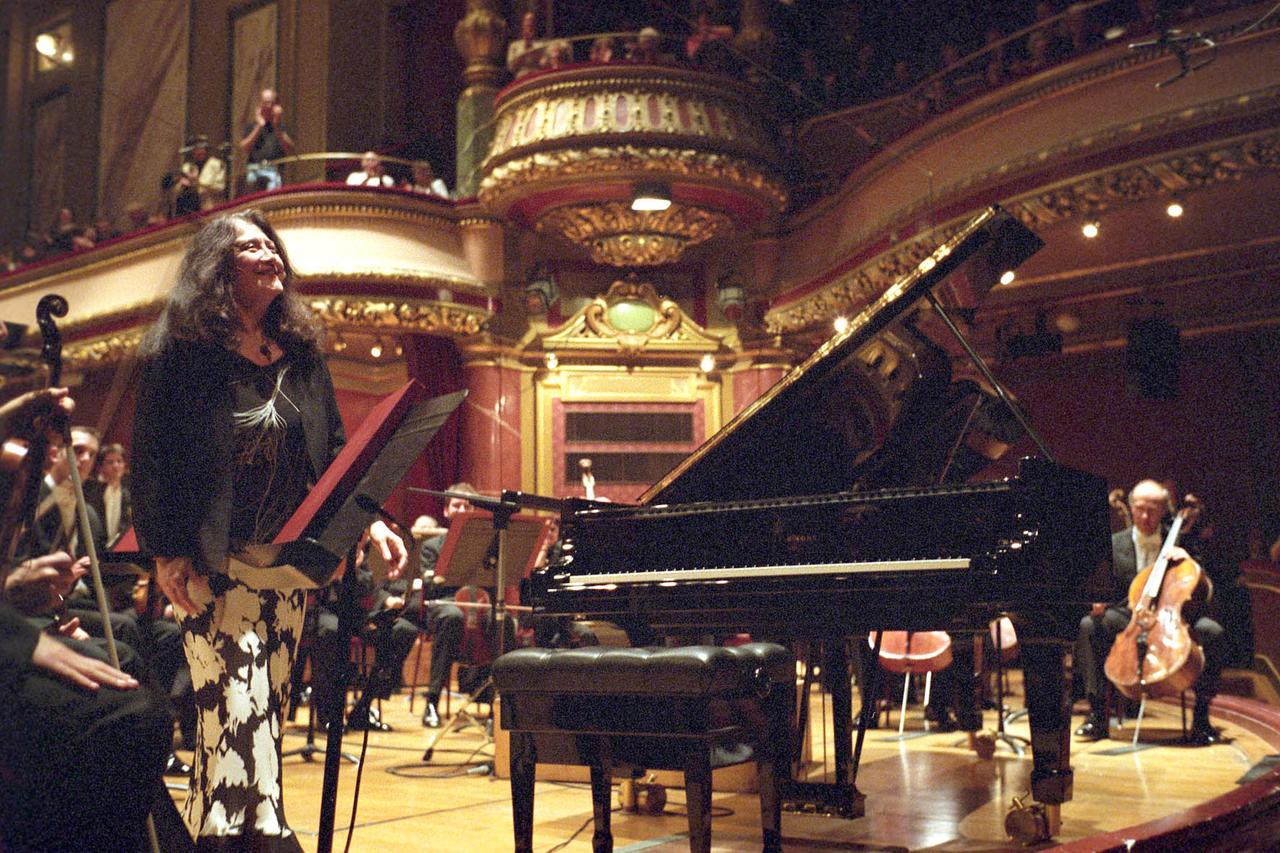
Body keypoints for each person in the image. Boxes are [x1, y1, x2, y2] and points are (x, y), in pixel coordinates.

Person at [132, 209, 408, 849]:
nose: (269, 253)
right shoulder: (181, 355)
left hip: (286, 562)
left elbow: (337, 452)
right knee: (240, 700)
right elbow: (153, 458)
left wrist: (369, 524)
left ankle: (218, 833)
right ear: (217, 267)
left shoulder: (303, 357)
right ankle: (260, 833)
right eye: (251, 245)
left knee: (251, 710)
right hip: (210, 559)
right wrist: (166, 552)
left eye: (270, 243)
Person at [0, 385, 175, 853]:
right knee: (134, 715)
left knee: (137, 663)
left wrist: (19, 596)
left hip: (20, 617)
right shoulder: (33, 490)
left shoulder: (90, 514)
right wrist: (19, 629)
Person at [1074, 479, 1226, 745]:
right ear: (1131, 508)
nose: (1145, 516)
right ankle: (1097, 716)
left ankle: (1202, 719)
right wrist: (1097, 600)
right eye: (1140, 509)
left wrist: (1187, 559)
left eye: (1153, 510)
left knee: (1213, 632)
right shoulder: (1113, 543)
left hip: (1173, 615)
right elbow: (1096, 583)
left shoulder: (1182, 540)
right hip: (1128, 613)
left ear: (1163, 511)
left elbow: (1206, 584)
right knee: (1091, 625)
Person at [239, 89, 295, 192]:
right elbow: (245, 148)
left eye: (270, 103)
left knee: (272, 189)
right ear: (260, 105)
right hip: (254, 168)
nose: (268, 106)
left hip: (274, 169)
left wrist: (276, 127)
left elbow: (289, 149)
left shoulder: (282, 127)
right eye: (265, 103)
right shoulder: (251, 126)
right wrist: (259, 126)